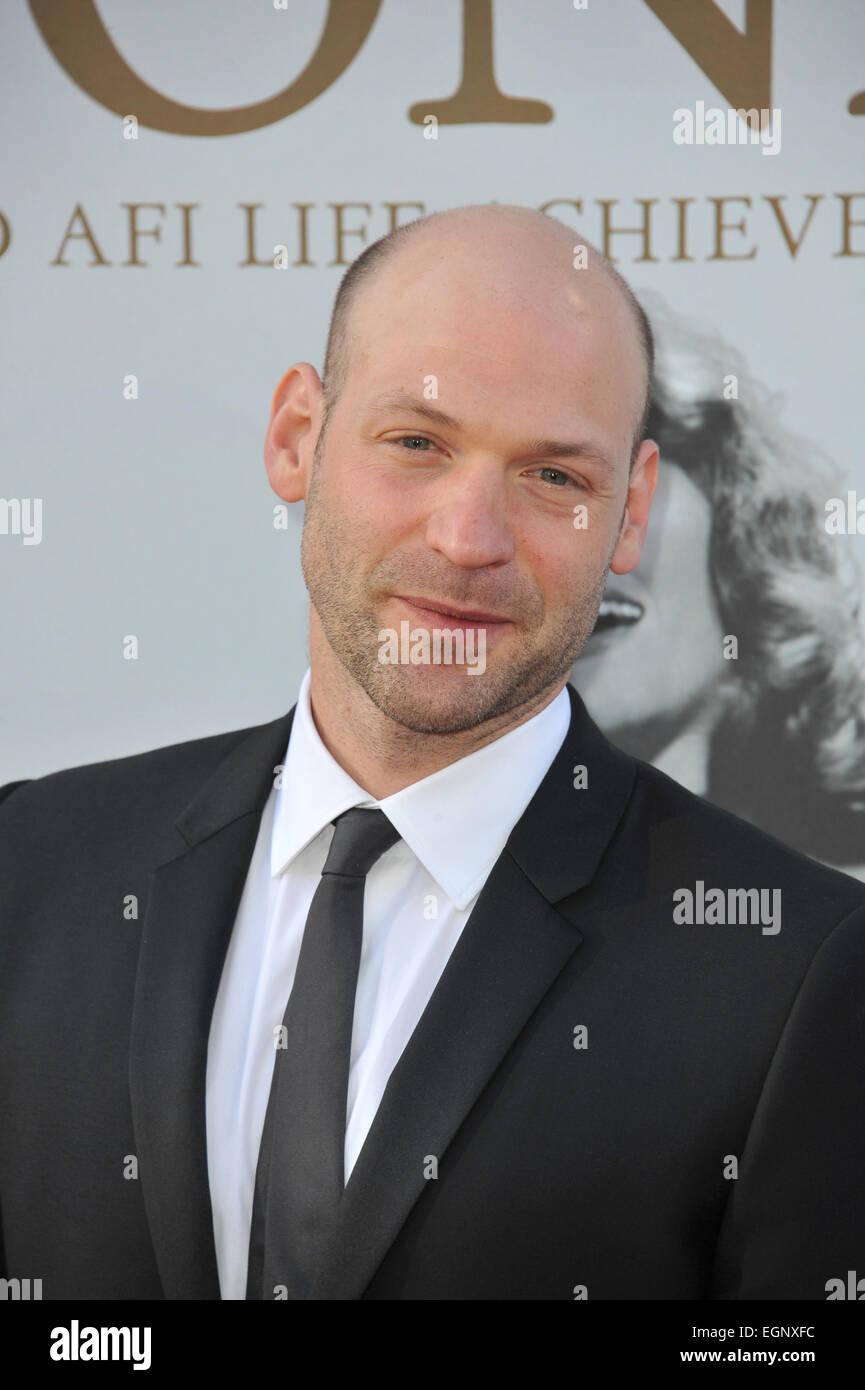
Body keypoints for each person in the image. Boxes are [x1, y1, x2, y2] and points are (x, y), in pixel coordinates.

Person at [1, 203, 864, 1302]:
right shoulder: (30, 866)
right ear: (295, 437)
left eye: (554, 476)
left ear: (630, 510)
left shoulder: (796, 970)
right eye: (416, 441)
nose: (468, 539)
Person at [576, 293, 865, 877]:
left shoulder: (843, 923)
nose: (588, 531)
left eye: (630, 467)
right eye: (550, 479)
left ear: (737, 530)